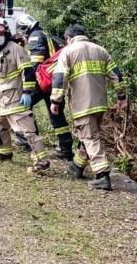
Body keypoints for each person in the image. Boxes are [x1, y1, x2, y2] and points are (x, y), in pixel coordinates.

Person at [50, 24, 127, 191]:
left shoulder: (68, 52)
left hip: (82, 105)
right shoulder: (101, 50)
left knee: (90, 138)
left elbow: (59, 78)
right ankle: (78, 166)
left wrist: (55, 101)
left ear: (68, 39)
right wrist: (122, 97)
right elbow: (117, 75)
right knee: (88, 134)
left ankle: (102, 176)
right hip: (100, 104)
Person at [0, 17, 50, 174]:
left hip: (16, 99)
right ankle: (5, 153)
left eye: (0, 30)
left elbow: (28, 71)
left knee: (27, 132)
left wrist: (28, 92)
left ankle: (41, 161)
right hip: (0, 101)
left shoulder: (16, 49)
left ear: (5, 31)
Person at [14, 14, 74, 159]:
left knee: (21, 106)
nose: (21, 33)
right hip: (54, 82)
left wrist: (27, 82)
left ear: (25, 27)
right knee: (56, 114)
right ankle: (65, 149)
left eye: (21, 30)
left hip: (42, 81)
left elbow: (36, 62)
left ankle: (30, 141)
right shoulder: (48, 36)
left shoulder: (35, 36)